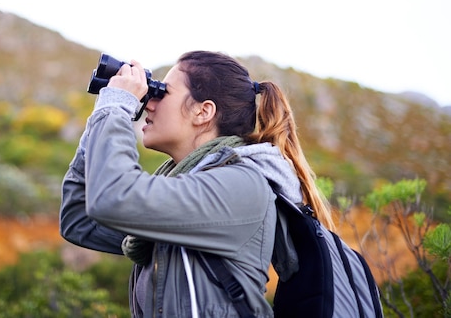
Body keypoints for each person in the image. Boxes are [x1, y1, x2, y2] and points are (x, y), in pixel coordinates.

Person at [60, 50, 334, 317]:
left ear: (203, 112)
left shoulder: (241, 186)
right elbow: (79, 220)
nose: (149, 104)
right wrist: (102, 118)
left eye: (161, 93)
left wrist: (117, 106)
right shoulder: (188, 186)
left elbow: (114, 198)